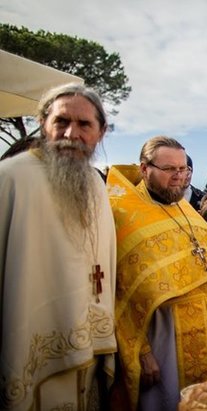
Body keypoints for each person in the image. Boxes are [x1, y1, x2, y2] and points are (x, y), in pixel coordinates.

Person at [0, 83, 117, 410]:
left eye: (84, 125)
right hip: (30, 341)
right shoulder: (10, 179)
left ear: (101, 132)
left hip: (88, 341)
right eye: (61, 121)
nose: (71, 133)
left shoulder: (94, 182)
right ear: (43, 122)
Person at [107, 136, 207, 410]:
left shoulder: (184, 208)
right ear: (145, 169)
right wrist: (142, 353)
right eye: (170, 169)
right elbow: (118, 294)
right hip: (163, 340)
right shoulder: (123, 215)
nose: (179, 177)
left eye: (183, 170)